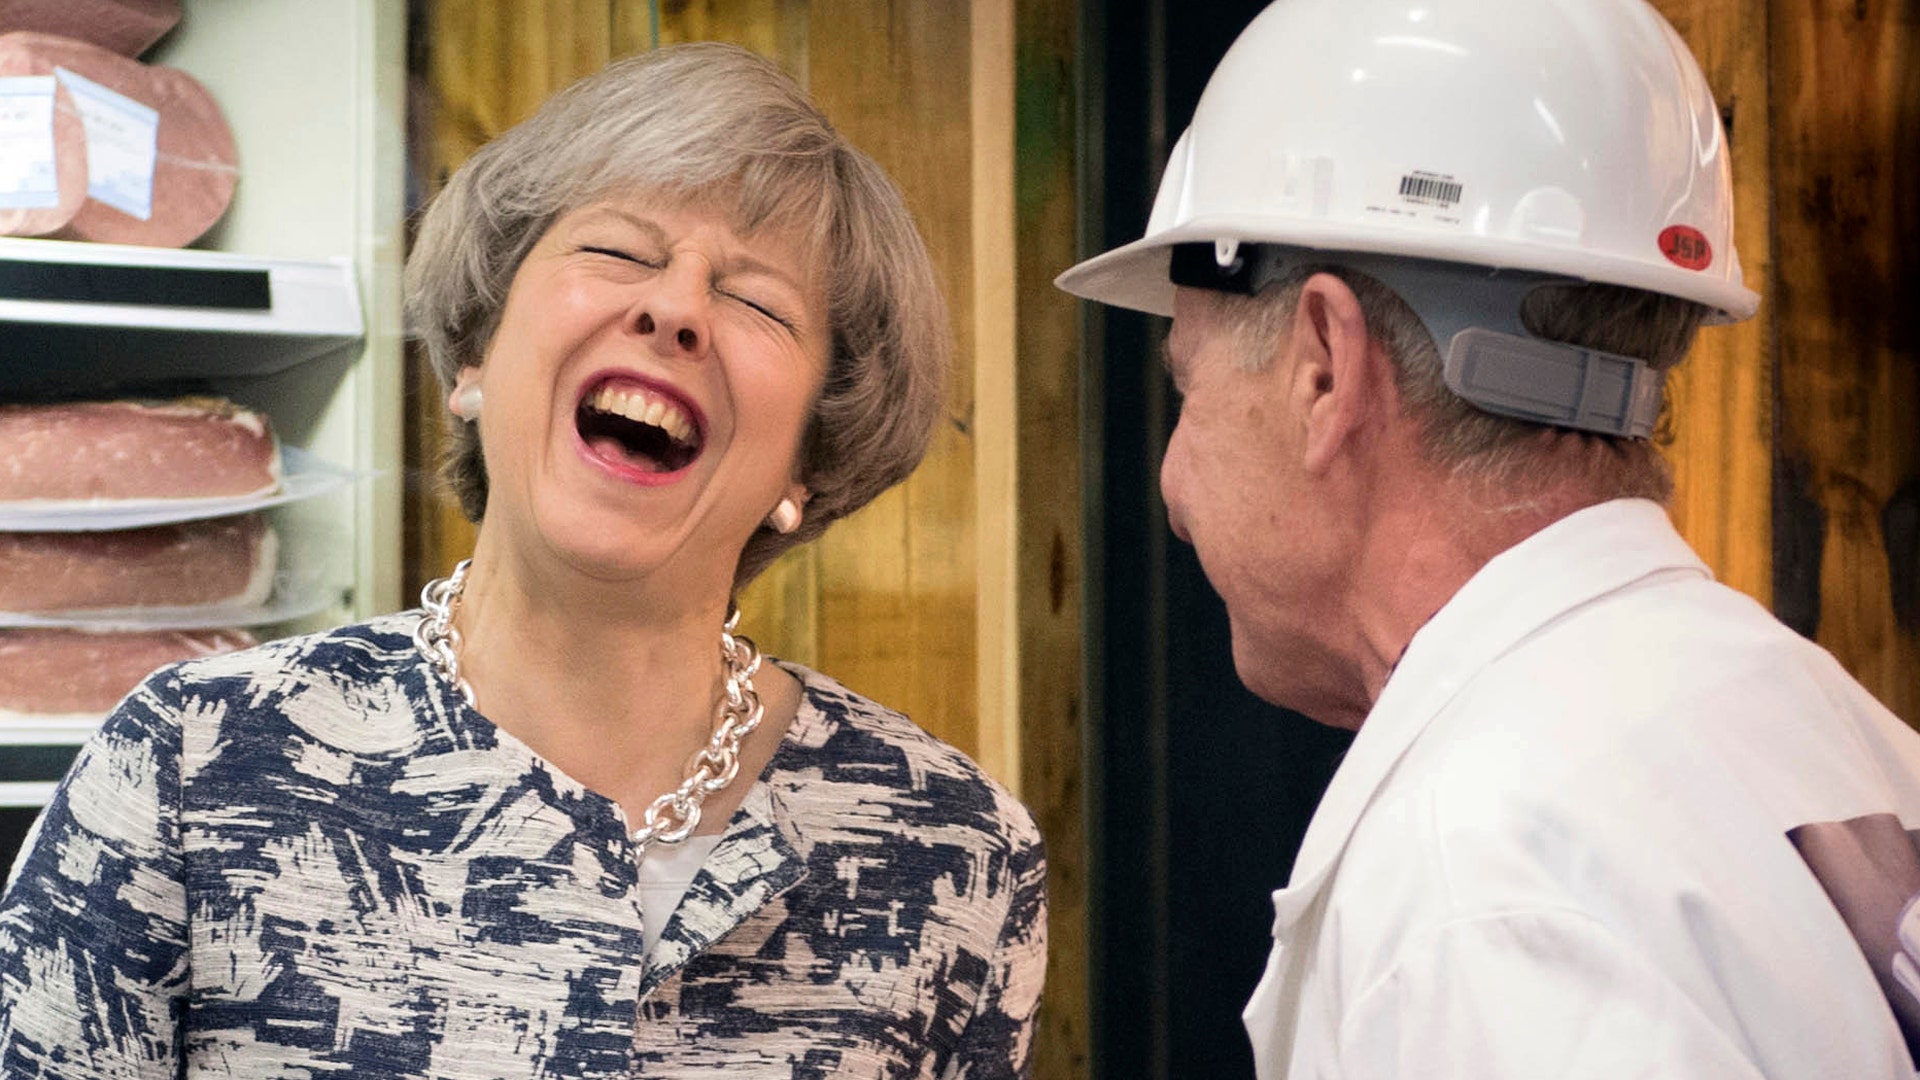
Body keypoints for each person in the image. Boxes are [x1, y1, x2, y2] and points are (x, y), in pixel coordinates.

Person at [0, 43, 1046, 1079]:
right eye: (619, 253)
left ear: (809, 464)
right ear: (474, 358)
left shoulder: (952, 848)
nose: (676, 308)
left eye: (759, 304)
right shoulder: (193, 764)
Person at [1058, 0, 1920, 1076]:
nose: (1171, 484)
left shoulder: (1481, 885)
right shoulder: (1822, 730)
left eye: (1184, 385)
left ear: (1325, 366)